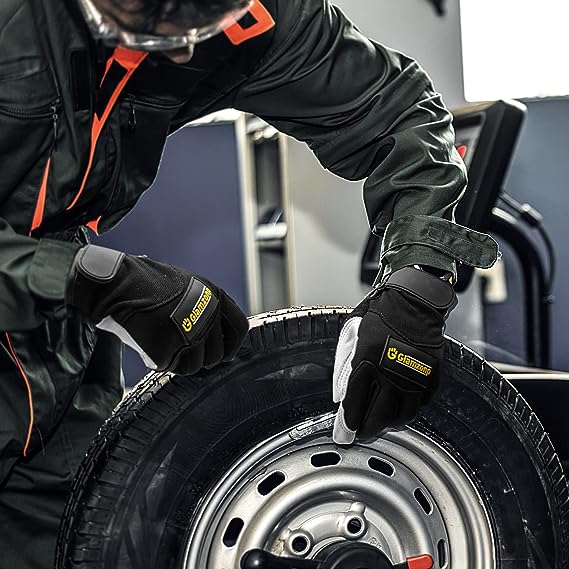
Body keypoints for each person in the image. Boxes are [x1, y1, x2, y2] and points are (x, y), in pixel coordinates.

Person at [0, 0, 498, 566]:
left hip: (58, 346)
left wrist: (419, 278)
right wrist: (89, 281)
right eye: (161, 27)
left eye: (206, 21)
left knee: (86, 543)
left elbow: (396, 109)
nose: (189, 49)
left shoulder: (253, 12)